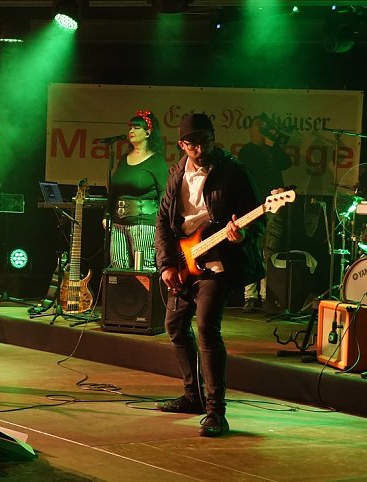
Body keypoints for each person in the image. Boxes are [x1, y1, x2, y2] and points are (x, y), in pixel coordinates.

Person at [154, 113, 264, 437]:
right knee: (174, 326)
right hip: (184, 260)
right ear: (182, 144)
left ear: (215, 138)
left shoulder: (233, 172)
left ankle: (217, 412)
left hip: (218, 264)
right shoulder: (176, 174)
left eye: (206, 141)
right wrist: (167, 265)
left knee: (206, 327)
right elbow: (163, 222)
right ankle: (193, 397)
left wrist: (242, 234)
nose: (200, 148)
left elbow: (256, 218)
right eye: (193, 143)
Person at [239, 115, 292, 313]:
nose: (262, 131)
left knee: (269, 250)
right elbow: (254, 169)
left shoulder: (273, 148)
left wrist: (273, 146)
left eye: (265, 127)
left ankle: (267, 294)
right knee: (251, 248)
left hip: (274, 205)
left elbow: (286, 163)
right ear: (252, 130)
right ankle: (250, 296)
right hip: (252, 205)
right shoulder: (247, 151)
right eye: (259, 127)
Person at [105, 109, 168, 270]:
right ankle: (121, 297)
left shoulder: (156, 161)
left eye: (136, 127)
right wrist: (107, 215)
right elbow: (113, 193)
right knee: (117, 270)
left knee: (143, 270)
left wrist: (160, 223)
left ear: (148, 133)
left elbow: (164, 194)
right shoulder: (124, 159)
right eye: (130, 127)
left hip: (144, 225)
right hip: (118, 225)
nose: (131, 131)